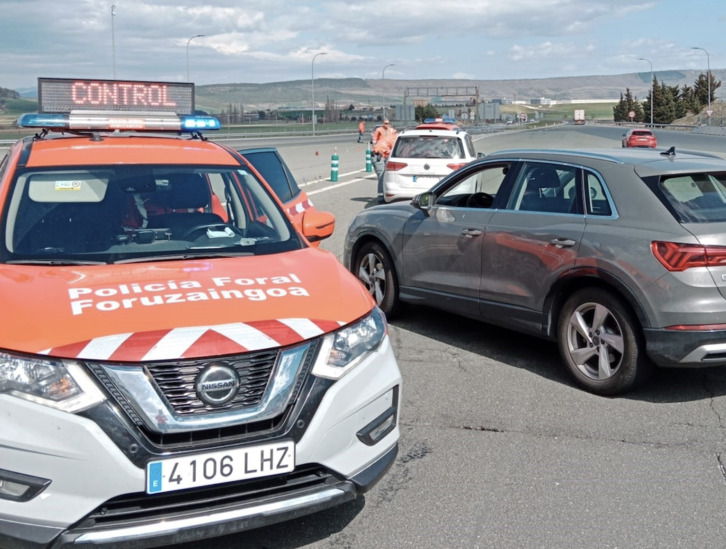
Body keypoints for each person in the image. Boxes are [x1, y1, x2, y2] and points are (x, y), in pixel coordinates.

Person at [371, 119, 397, 203]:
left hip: (384, 154)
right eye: (385, 123)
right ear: (383, 123)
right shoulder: (380, 130)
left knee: (385, 176)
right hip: (378, 155)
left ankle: (384, 195)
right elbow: (375, 140)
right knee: (382, 177)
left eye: (388, 123)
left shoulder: (391, 133)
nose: (387, 125)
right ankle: (381, 197)